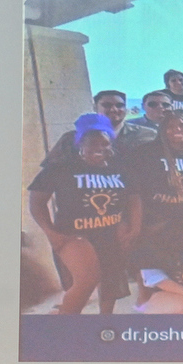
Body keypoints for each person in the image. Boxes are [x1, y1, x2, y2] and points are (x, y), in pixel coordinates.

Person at [27, 115, 135, 315]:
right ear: (79, 142)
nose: (99, 148)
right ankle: (66, 324)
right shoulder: (61, 167)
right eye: (92, 142)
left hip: (110, 233)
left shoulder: (118, 165)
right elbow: (37, 202)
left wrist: (129, 225)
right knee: (87, 280)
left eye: (104, 143)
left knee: (110, 282)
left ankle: (104, 321)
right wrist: (51, 233)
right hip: (73, 234)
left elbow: (131, 197)